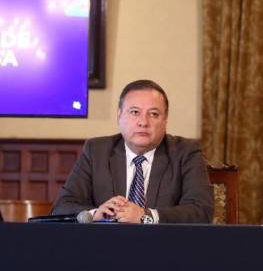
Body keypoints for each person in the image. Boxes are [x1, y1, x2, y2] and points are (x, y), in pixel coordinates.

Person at [53, 79, 213, 224]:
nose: (143, 122)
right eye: (135, 112)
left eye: (154, 114)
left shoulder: (185, 152)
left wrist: (146, 216)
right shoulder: (96, 151)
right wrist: (95, 214)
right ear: (119, 116)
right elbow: (61, 206)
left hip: (162, 245)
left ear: (165, 120)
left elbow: (201, 211)